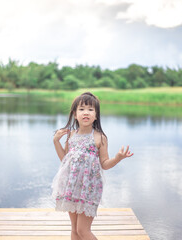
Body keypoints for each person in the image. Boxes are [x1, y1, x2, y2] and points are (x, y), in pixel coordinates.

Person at [51, 92, 134, 240]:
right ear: (75, 114)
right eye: (82, 109)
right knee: (75, 230)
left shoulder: (99, 137)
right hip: (72, 186)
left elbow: (105, 164)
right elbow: (65, 160)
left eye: (90, 109)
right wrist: (56, 142)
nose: (86, 113)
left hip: (89, 188)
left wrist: (118, 158)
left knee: (83, 230)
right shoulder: (71, 136)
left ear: (96, 115)